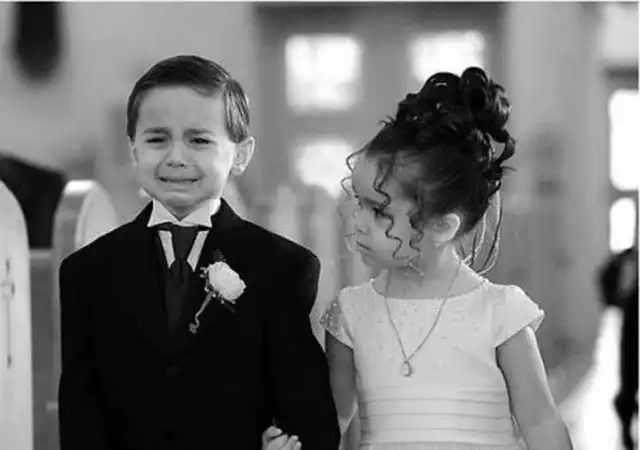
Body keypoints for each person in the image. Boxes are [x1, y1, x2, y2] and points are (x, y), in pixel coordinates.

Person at [264, 67, 573, 449]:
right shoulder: (350, 313)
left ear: (441, 226)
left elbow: (541, 421)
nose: (356, 219)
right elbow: (330, 425)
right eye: (358, 201)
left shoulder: (500, 312)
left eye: (378, 211)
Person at [58, 54, 340, 450]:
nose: (176, 157)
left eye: (199, 140)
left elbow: (309, 417)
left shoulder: (281, 268)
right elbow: (80, 417)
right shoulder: (88, 272)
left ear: (241, 154)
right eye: (157, 139)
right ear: (133, 149)